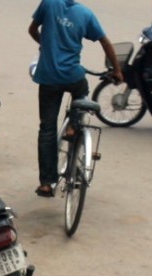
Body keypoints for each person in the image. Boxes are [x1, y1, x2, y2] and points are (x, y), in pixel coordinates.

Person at [28, 0, 122, 197]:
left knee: (47, 129)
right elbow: (105, 42)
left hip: (48, 78)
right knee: (82, 90)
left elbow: (32, 30)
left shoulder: (48, 4)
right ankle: (74, 124)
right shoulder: (86, 14)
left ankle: (46, 183)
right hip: (72, 76)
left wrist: (46, 46)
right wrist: (117, 70)